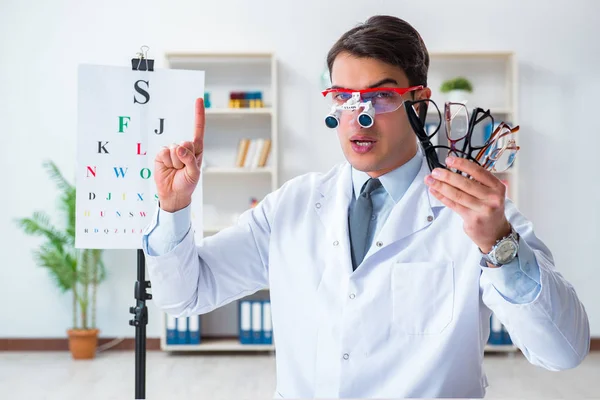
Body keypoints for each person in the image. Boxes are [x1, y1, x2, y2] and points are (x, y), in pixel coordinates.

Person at [141, 15, 590, 399]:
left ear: (419, 100)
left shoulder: (478, 215)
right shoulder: (291, 207)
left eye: (381, 96)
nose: (359, 116)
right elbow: (184, 296)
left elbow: (562, 352)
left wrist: (500, 246)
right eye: (343, 97)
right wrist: (173, 208)